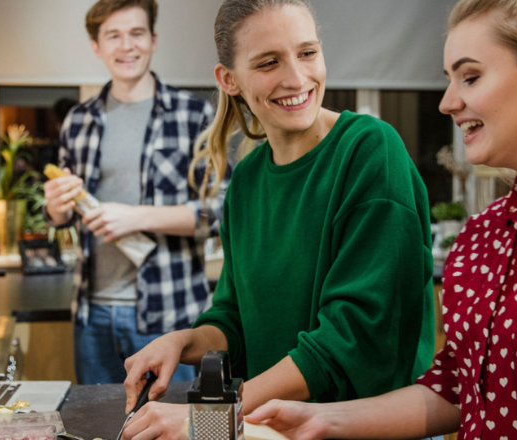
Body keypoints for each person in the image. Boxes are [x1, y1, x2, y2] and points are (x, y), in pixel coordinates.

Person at [247, 0, 517, 438]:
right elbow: (455, 389)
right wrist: (323, 418)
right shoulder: (480, 237)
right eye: (449, 80)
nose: (447, 103)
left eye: (471, 77)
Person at [119, 1, 437, 438]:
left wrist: (214, 417)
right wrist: (181, 342)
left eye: (307, 53)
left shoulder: (370, 152)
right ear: (228, 80)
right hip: (275, 430)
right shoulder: (247, 179)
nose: (297, 77)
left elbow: (353, 339)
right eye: (269, 62)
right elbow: (234, 318)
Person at [42, 0, 224, 385]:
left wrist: (136, 216)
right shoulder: (78, 121)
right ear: (97, 47)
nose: (127, 46)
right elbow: (64, 218)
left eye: (137, 33)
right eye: (114, 36)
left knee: (173, 427)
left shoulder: (193, 115)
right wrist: (56, 208)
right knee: (101, 428)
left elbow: (220, 212)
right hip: (92, 317)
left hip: (170, 315)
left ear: (153, 40)